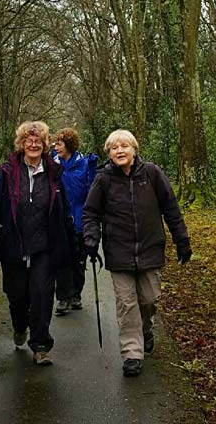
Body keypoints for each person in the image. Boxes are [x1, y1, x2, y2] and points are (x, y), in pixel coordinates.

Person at [82, 129, 192, 377]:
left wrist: (182, 240)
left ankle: (146, 329)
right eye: (114, 148)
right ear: (109, 153)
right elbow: (90, 213)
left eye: (124, 146)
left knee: (149, 300)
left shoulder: (152, 174)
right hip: (118, 253)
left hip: (150, 249)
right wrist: (90, 239)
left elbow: (171, 208)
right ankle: (132, 353)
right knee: (126, 304)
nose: (119, 151)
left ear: (134, 149)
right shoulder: (104, 179)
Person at [0, 120, 76, 366]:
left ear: (45, 145)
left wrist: (71, 242)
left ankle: (41, 345)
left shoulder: (54, 174)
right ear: (21, 144)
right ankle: (19, 324)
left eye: (38, 141)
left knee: (43, 295)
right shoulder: (7, 172)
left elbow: (63, 209)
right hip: (14, 245)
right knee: (17, 297)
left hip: (44, 246)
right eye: (29, 140)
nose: (33, 144)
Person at [52, 127, 98, 315]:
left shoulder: (84, 164)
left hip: (80, 220)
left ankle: (76, 294)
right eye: (55, 143)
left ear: (69, 145)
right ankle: (63, 297)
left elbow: (93, 190)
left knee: (79, 261)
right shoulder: (52, 165)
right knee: (61, 260)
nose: (56, 147)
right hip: (59, 221)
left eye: (60, 143)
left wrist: (93, 170)